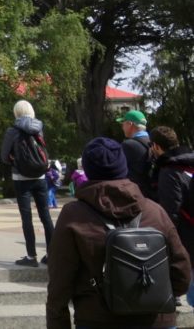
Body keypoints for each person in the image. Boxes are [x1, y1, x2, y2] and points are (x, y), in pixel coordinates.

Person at [45, 137, 191, 328]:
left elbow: (59, 280)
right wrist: (153, 295)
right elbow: (182, 270)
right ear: (124, 168)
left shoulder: (74, 216)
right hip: (156, 319)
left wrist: (58, 323)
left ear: (88, 170)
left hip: (97, 318)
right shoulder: (155, 212)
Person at [0, 99, 54, 267]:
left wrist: (16, 162)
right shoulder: (39, 128)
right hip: (40, 177)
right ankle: (52, 255)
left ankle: (31, 257)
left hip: (21, 179)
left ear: (16, 112)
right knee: (45, 216)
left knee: (27, 218)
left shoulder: (12, 131)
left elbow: (4, 157)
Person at [148, 125, 194, 307]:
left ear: (157, 147)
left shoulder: (169, 171)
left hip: (188, 239)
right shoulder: (189, 163)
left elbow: (170, 212)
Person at [116, 109, 153, 199]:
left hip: (136, 196)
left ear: (130, 124)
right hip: (153, 194)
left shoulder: (128, 145)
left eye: (123, 123)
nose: (122, 127)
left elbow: (118, 172)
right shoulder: (153, 142)